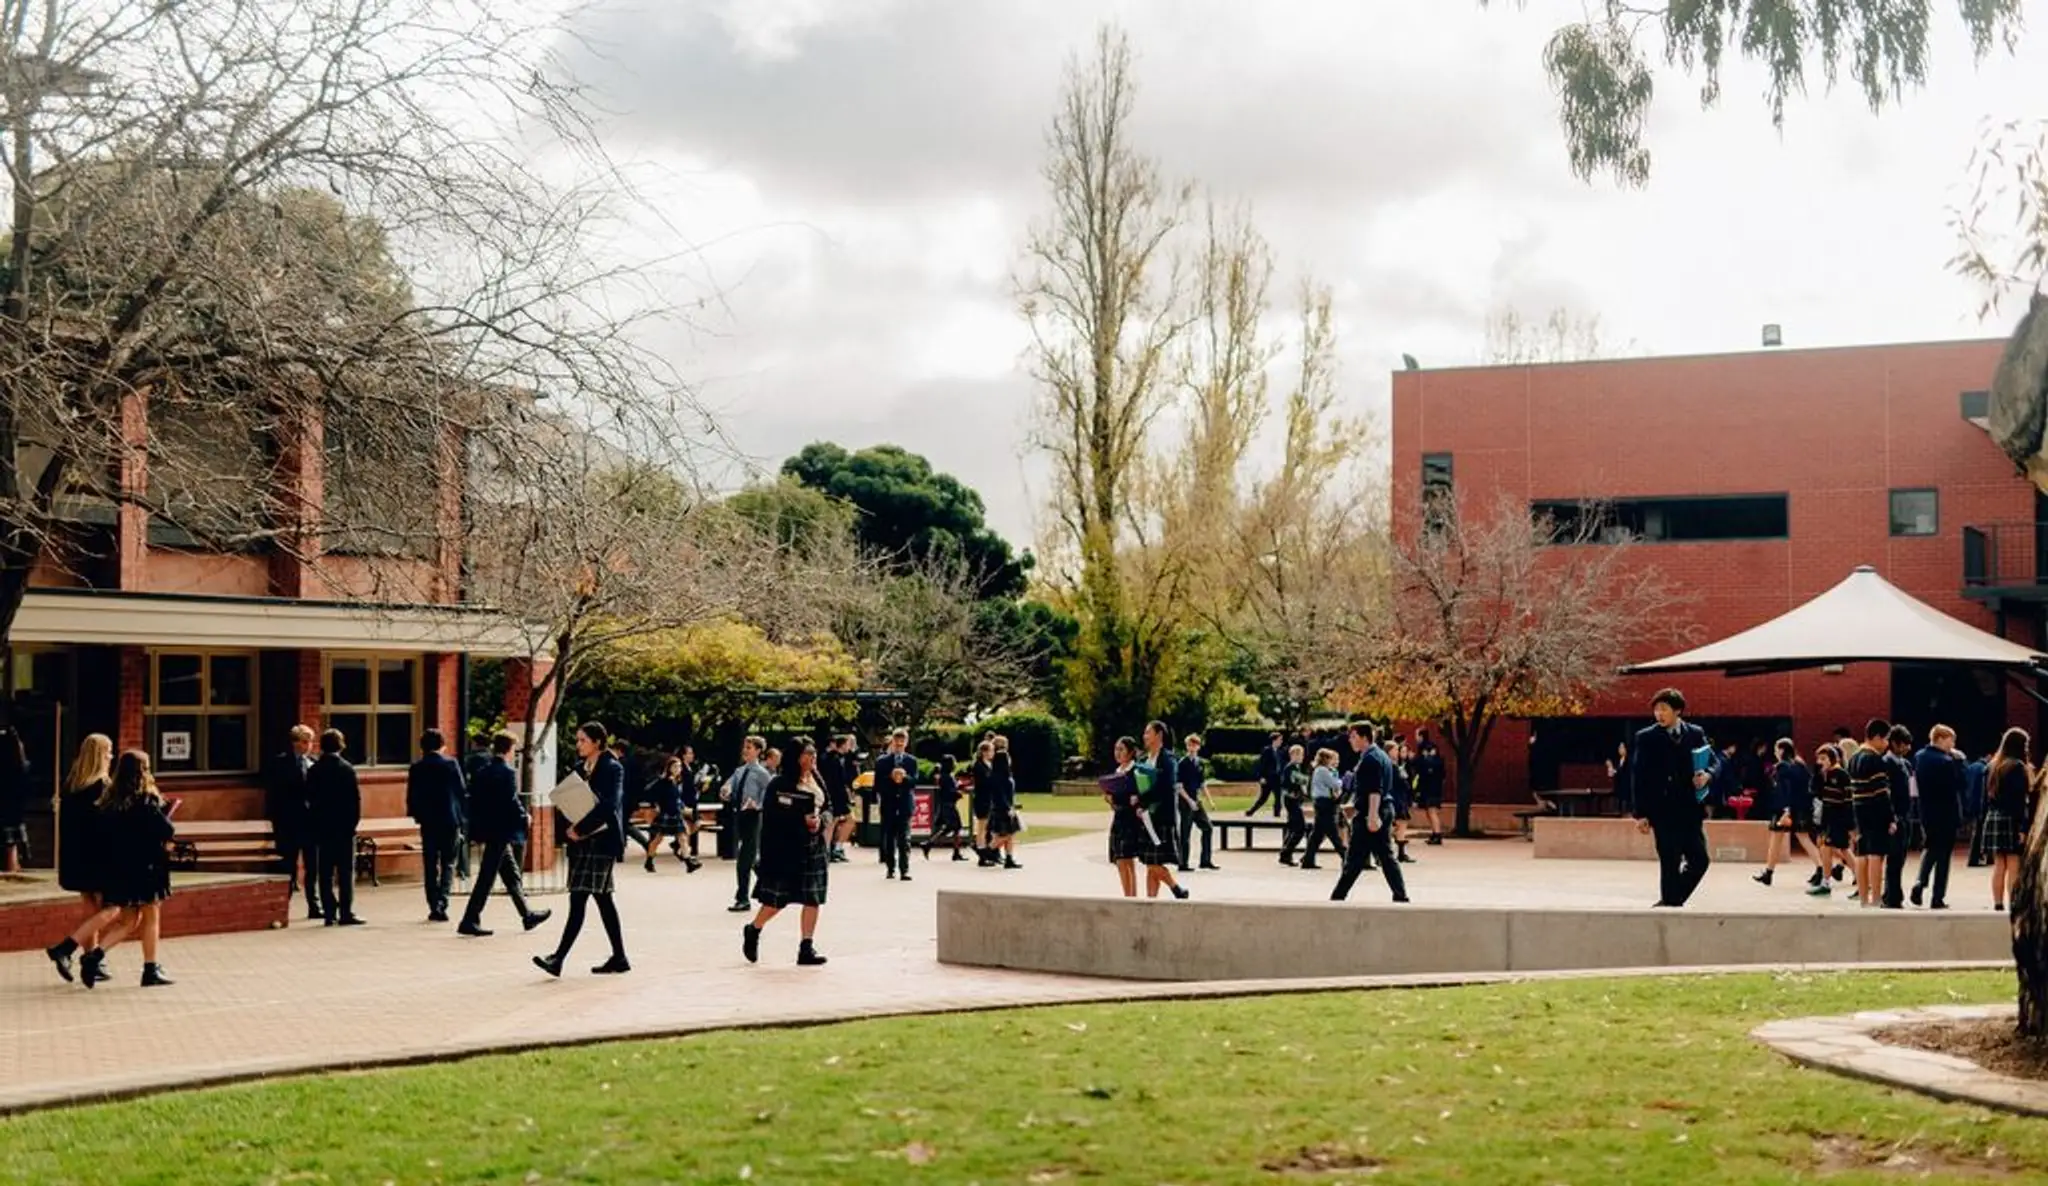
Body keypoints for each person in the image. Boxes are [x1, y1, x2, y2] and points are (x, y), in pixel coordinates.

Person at [534, 722, 630, 977]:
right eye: (577, 740)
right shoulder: (579, 769)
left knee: (579, 898)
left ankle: (558, 958)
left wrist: (582, 828)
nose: (578, 745)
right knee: (602, 898)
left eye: (582, 740)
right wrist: (569, 829)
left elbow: (609, 805)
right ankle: (620, 957)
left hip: (601, 840)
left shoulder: (613, 768)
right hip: (582, 843)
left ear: (598, 742)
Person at [77, 750, 178, 988]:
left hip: (121, 868)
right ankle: (150, 968)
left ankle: (94, 957)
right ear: (143, 771)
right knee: (151, 916)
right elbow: (166, 830)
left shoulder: (110, 801)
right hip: (147, 866)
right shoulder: (146, 800)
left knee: (128, 921)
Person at [742, 740, 831, 967]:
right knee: (776, 900)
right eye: (807, 754)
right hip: (787, 847)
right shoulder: (779, 784)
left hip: (813, 846)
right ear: (795, 757)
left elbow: (828, 807)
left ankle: (806, 947)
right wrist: (799, 820)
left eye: (814, 754)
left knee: (813, 898)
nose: (812, 759)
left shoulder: (817, 779)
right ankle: (754, 929)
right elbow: (772, 816)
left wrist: (820, 823)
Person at [456, 732, 551, 937]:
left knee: (510, 874)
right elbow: (511, 800)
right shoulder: (507, 772)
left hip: (489, 828)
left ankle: (526, 914)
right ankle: (469, 919)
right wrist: (523, 817)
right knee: (487, 876)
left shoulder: (484, 771)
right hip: (501, 830)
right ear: (509, 749)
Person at [1627, 688, 1715, 908]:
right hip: (1662, 811)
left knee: (1700, 861)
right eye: (1656, 710)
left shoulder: (1695, 733)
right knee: (1669, 862)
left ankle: (1670, 901)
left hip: (1690, 810)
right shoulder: (1646, 737)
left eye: (1664, 709)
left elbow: (1714, 761)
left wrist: (1708, 775)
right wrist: (1640, 814)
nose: (1659, 714)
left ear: (1678, 710)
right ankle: (1670, 906)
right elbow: (1638, 777)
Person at [45, 733, 113, 983]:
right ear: (100, 755)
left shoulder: (72, 785)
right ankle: (68, 949)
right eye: (108, 752)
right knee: (111, 908)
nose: (112, 756)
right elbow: (106, 825)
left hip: (75, 856)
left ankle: (91, 959)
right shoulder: (102, 788)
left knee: (89, 907)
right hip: (97, 856)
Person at [1332, 722, 1409, 903]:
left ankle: (1337, 897)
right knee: (1382, 856)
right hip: (1378, 809)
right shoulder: (1380, 755)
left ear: (1364, 737)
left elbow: (1375, 790)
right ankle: (1400, 894)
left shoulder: (1370, 759)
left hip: (1373, 812)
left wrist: (1372, 816)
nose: (1350, 740)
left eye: (1353, 736)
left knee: (1357, 859)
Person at [406, 728, 467, 923]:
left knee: (430, 864)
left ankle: (433, 904)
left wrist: (417, 815)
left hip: (429, 821)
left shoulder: (417, 767)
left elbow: (412, 795)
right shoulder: (450, 764)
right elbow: (461, 790)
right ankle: (443, 901)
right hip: (450, 819)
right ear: (441, 744)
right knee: (448, 863)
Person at [308, 728, 364, 926]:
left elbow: (310, 799)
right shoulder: (347, 769)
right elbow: (355, 801)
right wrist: (352, 824)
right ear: (341, 745)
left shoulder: (314, 770)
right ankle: (346, 912)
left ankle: (329, 912)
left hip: (323, 828)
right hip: (343, 828)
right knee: (346, 872)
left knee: (325, 872)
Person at [263, 725, 320, 921]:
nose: (307, 746)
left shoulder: (314, 764)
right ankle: (282, 906)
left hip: (310, 824)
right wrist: (277, 823)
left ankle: (314, 904)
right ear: (294, 743)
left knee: (313, 866)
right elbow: (274, 795)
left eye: (310, 742)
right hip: (289, 823)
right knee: (288, 866)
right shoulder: (281, 764)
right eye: (303, 742)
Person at [1910, 724, 1964, 910]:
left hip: (1927, 811)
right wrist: (1959, 761)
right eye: (1951, 740)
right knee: (1944, 856)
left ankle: (1920, 880)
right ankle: (1937, 897)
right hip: (1947, 813)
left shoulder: (1919, 757)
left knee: (1930, 847)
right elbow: (1959, 784)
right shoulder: (1947, 761)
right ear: (1940, 739)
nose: (1953, 744)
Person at [1845, 719, 1896, 909]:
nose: (1886, 744)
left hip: (1858, 810)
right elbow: (1882, 793)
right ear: (1876, 737)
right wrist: (1890, 818)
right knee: (1876, 854)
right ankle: (1876, 897)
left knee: (1861, 853)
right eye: (1885, 739)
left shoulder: (1853, 759)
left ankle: (1863, 899)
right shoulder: (1875, 759)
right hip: (1875, 811)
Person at [1755, 738, 1820, 888]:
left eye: (1776, 749)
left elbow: (1784, 789)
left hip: (1784, 808)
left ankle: (1768, 873)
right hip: (1800, 806)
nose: (1775, 753)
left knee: (1776, 839)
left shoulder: (1782, 766)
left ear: (1782, 750)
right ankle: (1820, 868)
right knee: (1804, 838)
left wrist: (1786, 810)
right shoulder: (1800, 764)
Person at [1138, 721, 1190, 900]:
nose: (1144, 736)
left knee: (1152, 862)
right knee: (1151, 863)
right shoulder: (1143, 760)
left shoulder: (1168, 759)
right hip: (1146, 818)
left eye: (1148, 733)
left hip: (1161, 818)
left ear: (1159, 735)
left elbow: (1166, 786)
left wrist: (1143, 799)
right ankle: (1151, 902)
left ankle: (1176, 888)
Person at [1983, 727, 2031, 913]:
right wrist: (2022, 827)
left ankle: (1997, 903)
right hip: (2011, 818)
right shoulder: (2018, 767)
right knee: (2013, 864)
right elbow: (2018, 800)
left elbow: (1986, 797)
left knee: (1998, 864)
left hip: (1993, 816)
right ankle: (2013, 903)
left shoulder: (1993, 765)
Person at [724, 736, 771, 913]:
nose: (745, 750)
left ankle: (742, 898)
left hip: (753, 817)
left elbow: (769, 795)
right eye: (745, 747)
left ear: (758, 751)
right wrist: (726, 791)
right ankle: (771, 882)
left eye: (749, 747)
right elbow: (729, 786)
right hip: (740, 816)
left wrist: (757, 804)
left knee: (744, 860)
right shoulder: (739, 771)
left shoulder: (762, 773)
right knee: (752, 860)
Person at [1880, 723, 1918, 909]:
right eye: (1904, 744)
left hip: (1906, 815)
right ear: (1894, 744)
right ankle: (1891, 895)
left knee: (1900, 857)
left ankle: (1893, 893)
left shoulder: (1906, 764)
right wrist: (1891, 816)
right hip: (1895, 816)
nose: (1907, 748)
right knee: (1894, 858)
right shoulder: (1886, 764)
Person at [875, 728, 919, 881]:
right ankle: (890, 868)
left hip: (905, 804)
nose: (899, 745)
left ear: (906, 743)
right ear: (892, 743)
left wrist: (904, 777)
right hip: (889, 804)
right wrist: (891, 777)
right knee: (889, 838)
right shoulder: (882, 761)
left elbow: (914, 782)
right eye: (897, 743)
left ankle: (904, 869)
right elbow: (878, 785)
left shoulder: (911, 761)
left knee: (904, 838)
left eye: (902, 743)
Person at [1102, 736, 1144, 897]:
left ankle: (1131, 897)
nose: (1117, 753)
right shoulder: (1117, 772)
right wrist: (1110, 800)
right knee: (1120, 860)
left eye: (1121, 749)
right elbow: (1115, 804)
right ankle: (1129, 895)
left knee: (1127, 860)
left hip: (1131, 820)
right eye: (1116, 749)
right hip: (1119, 818)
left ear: (1131, 752)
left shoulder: (1136, 771)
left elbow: (1139, 795)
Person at [1811, 743, 1852, 896]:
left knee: (1844, 850)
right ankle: (1826, 882)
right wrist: (1818, 775)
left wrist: (1849, 824)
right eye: (1819, 759)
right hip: (1828, 819)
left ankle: (1861, 880)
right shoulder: (1825, 775)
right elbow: (1817, 793)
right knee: (1827, 848)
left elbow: (1848, 800)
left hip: (1838, 819)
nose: (1821, 762)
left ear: (1832, 758)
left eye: (1824, 758)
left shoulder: (1841, 775)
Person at [1176, 733, 1218, 872]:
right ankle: (1183, 863)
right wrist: (1189, 801)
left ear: (1198, 747)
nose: (1192, 747)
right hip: (1185, 801)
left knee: (1208, 828)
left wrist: (1210, 801)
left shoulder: (1200, 763)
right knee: (1185, 832)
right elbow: (1178, 786)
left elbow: (1202, 784)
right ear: (1186, 746)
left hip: (1197, 800)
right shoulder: (1182, 763)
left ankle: (1205, 860)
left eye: (1194, 745)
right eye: (1189, 745)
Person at [1300, 747, 1346, 871]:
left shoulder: (1320, 770)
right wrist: (1344, 780)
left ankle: (1307, 860)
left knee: (1317, 835)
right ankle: (1346, 857)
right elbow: (1335, 784)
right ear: (1325, 759)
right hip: (1325, 803)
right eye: (1330, 758)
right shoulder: (1322, 771)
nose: (1332, 761)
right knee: (1333, 833)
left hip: (1322, 803)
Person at [983, 736, 1021, 869]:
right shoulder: (1000, 778)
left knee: (1010, 835)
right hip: (1003, 809)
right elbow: (1001, 795)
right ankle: (987, 850)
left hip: (1006, 807)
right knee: (1006, 834)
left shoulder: (1003, 776)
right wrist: (1008, 808)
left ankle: (1009, 859)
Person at [923, 753, 967, 861]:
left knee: (950, 828)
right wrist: (958, 793)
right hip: (949, 806)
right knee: (956, 828)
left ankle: (930, 844)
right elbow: (949, 792)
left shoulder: (945, 776)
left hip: (946, 805)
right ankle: (953, 852)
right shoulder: (947, 777)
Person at [822, 735, 855, 862]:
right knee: (840, 821)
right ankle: (834, 848)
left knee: (834, 822)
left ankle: (831, 848)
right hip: (836, 795)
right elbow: (837, 780)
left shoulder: (836, 758)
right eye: (848, 744)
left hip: (835, 794)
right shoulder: (834, 759)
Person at [1277, 744, 1311, 867]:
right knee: (1300, 828)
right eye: (1299, 754)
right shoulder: (1291, 768)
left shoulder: (1294, 768)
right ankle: (1286, 853)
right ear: (1293, 755)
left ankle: (1285, 855)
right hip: (1292, 800)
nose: (1302, 757)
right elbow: (1303, 781)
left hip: (1293, 800)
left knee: (1292, 827)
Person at [0, 727, 29, 873]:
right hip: (14, 812)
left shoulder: (14, 767)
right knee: (11, 846)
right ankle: (13, 868)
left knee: (10, 845)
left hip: (8, 810)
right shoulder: (20, 766)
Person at [1412, 731, 1448, 845]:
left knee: (1432, 810)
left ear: (1421, 736)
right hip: (1430, 785)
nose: (1415, 737)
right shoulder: (1427, 748)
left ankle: (1437, 834)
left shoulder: (1427, 749)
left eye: (1417, 735)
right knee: (1429, 811)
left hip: (1431, 786)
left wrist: (1415, 760)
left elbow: (1425, 765)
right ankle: (1434, 833)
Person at [1248, 732, 1287, 818]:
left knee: (1278, 797)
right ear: (1274, 740)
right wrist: (1261, 777)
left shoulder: (1281, 752)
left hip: (1277, 778)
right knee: (1263, 798)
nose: (1281, 741)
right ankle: (1251, 811)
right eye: (1280, 739)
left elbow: (1282, 764)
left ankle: (1277, 814)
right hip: (1268, 778)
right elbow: (1262, 765)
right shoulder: (1267, 750)